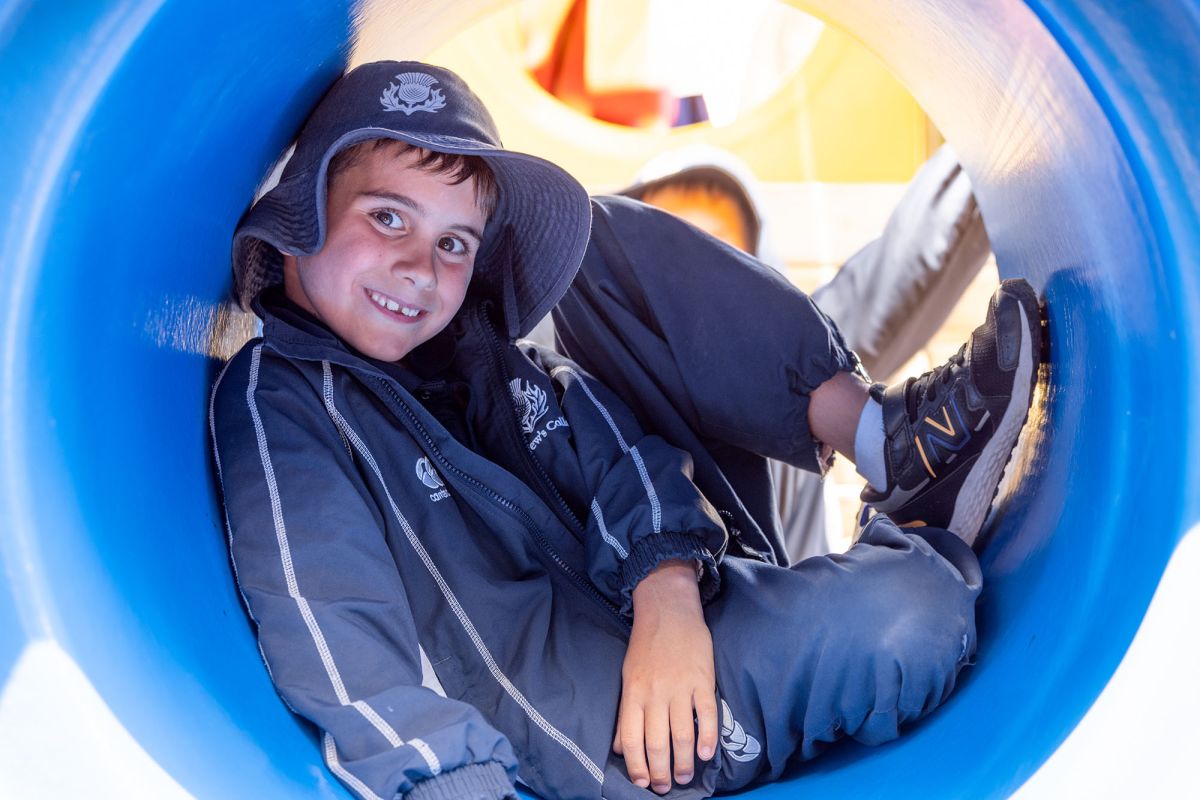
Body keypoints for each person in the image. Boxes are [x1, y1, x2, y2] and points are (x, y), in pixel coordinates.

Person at [209, 61, 1043, 800]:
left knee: (922, 606)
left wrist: (667, 592)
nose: (420, 268)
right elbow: (331, 618)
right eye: (387, 218)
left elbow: (616, 453)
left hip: (691, 634)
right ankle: (903, 519)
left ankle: (885, 445)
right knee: (915, 608)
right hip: (578, 752)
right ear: (300, 218)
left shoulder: (487, 361)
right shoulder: (281, 395)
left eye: (454, 241)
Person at [604, 147, 991, 561]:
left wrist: (997, 131)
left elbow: (914, 257)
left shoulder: (795, 359)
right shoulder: (581, 381)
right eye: (666, 251)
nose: (689, 286)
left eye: (717, 257)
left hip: (786, 601)